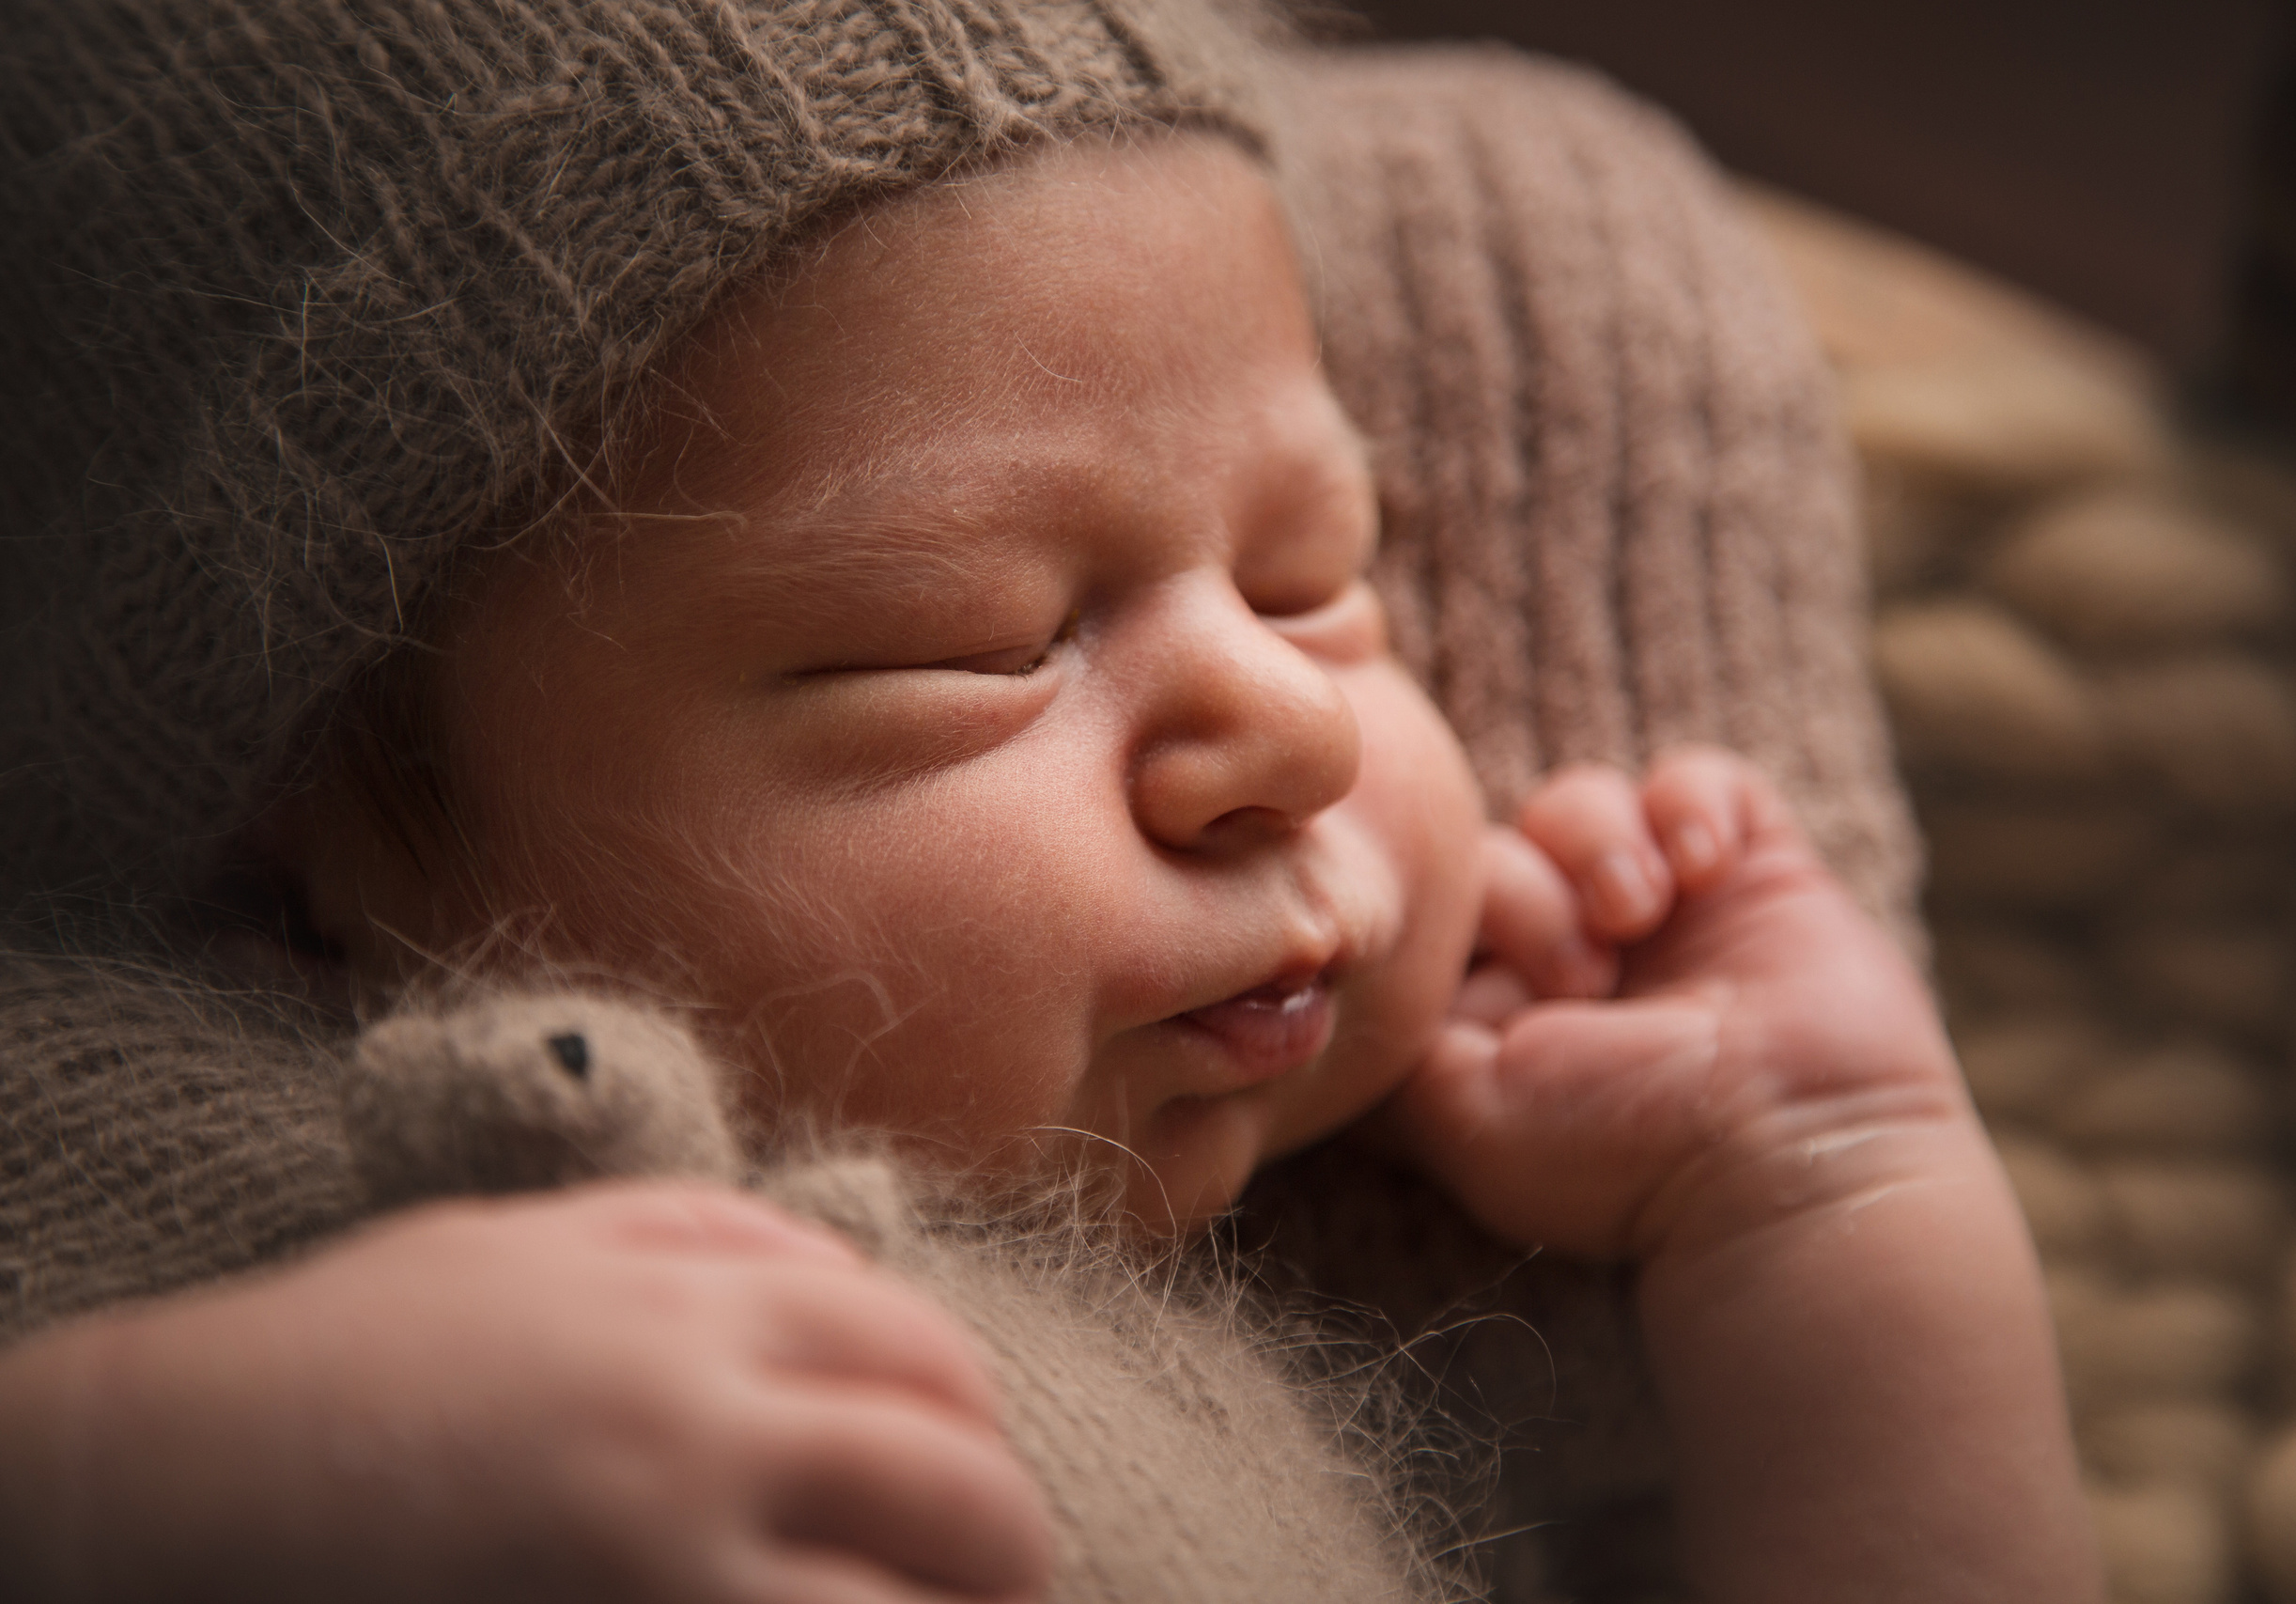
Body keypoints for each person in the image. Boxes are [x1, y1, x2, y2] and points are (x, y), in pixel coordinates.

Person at [0, 3, 2102, 1600]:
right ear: (298, 830)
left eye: (1315, 572)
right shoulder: (134, 1150)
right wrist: (165, 1466)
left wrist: (1821, 1192)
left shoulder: (1407, 1357)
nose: (1290, 722)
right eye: (971, 640)